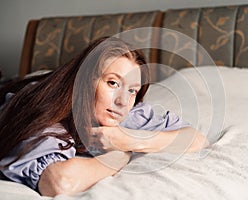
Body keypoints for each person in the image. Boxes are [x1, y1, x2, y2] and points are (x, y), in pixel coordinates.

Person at [0, 37, 209, 197]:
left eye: (133, 90)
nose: (122, 101)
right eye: (112, 83)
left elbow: (196, 139)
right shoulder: (47, 110)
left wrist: (130, 139)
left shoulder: (123, 113)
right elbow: (59, 183)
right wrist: (120, 155)